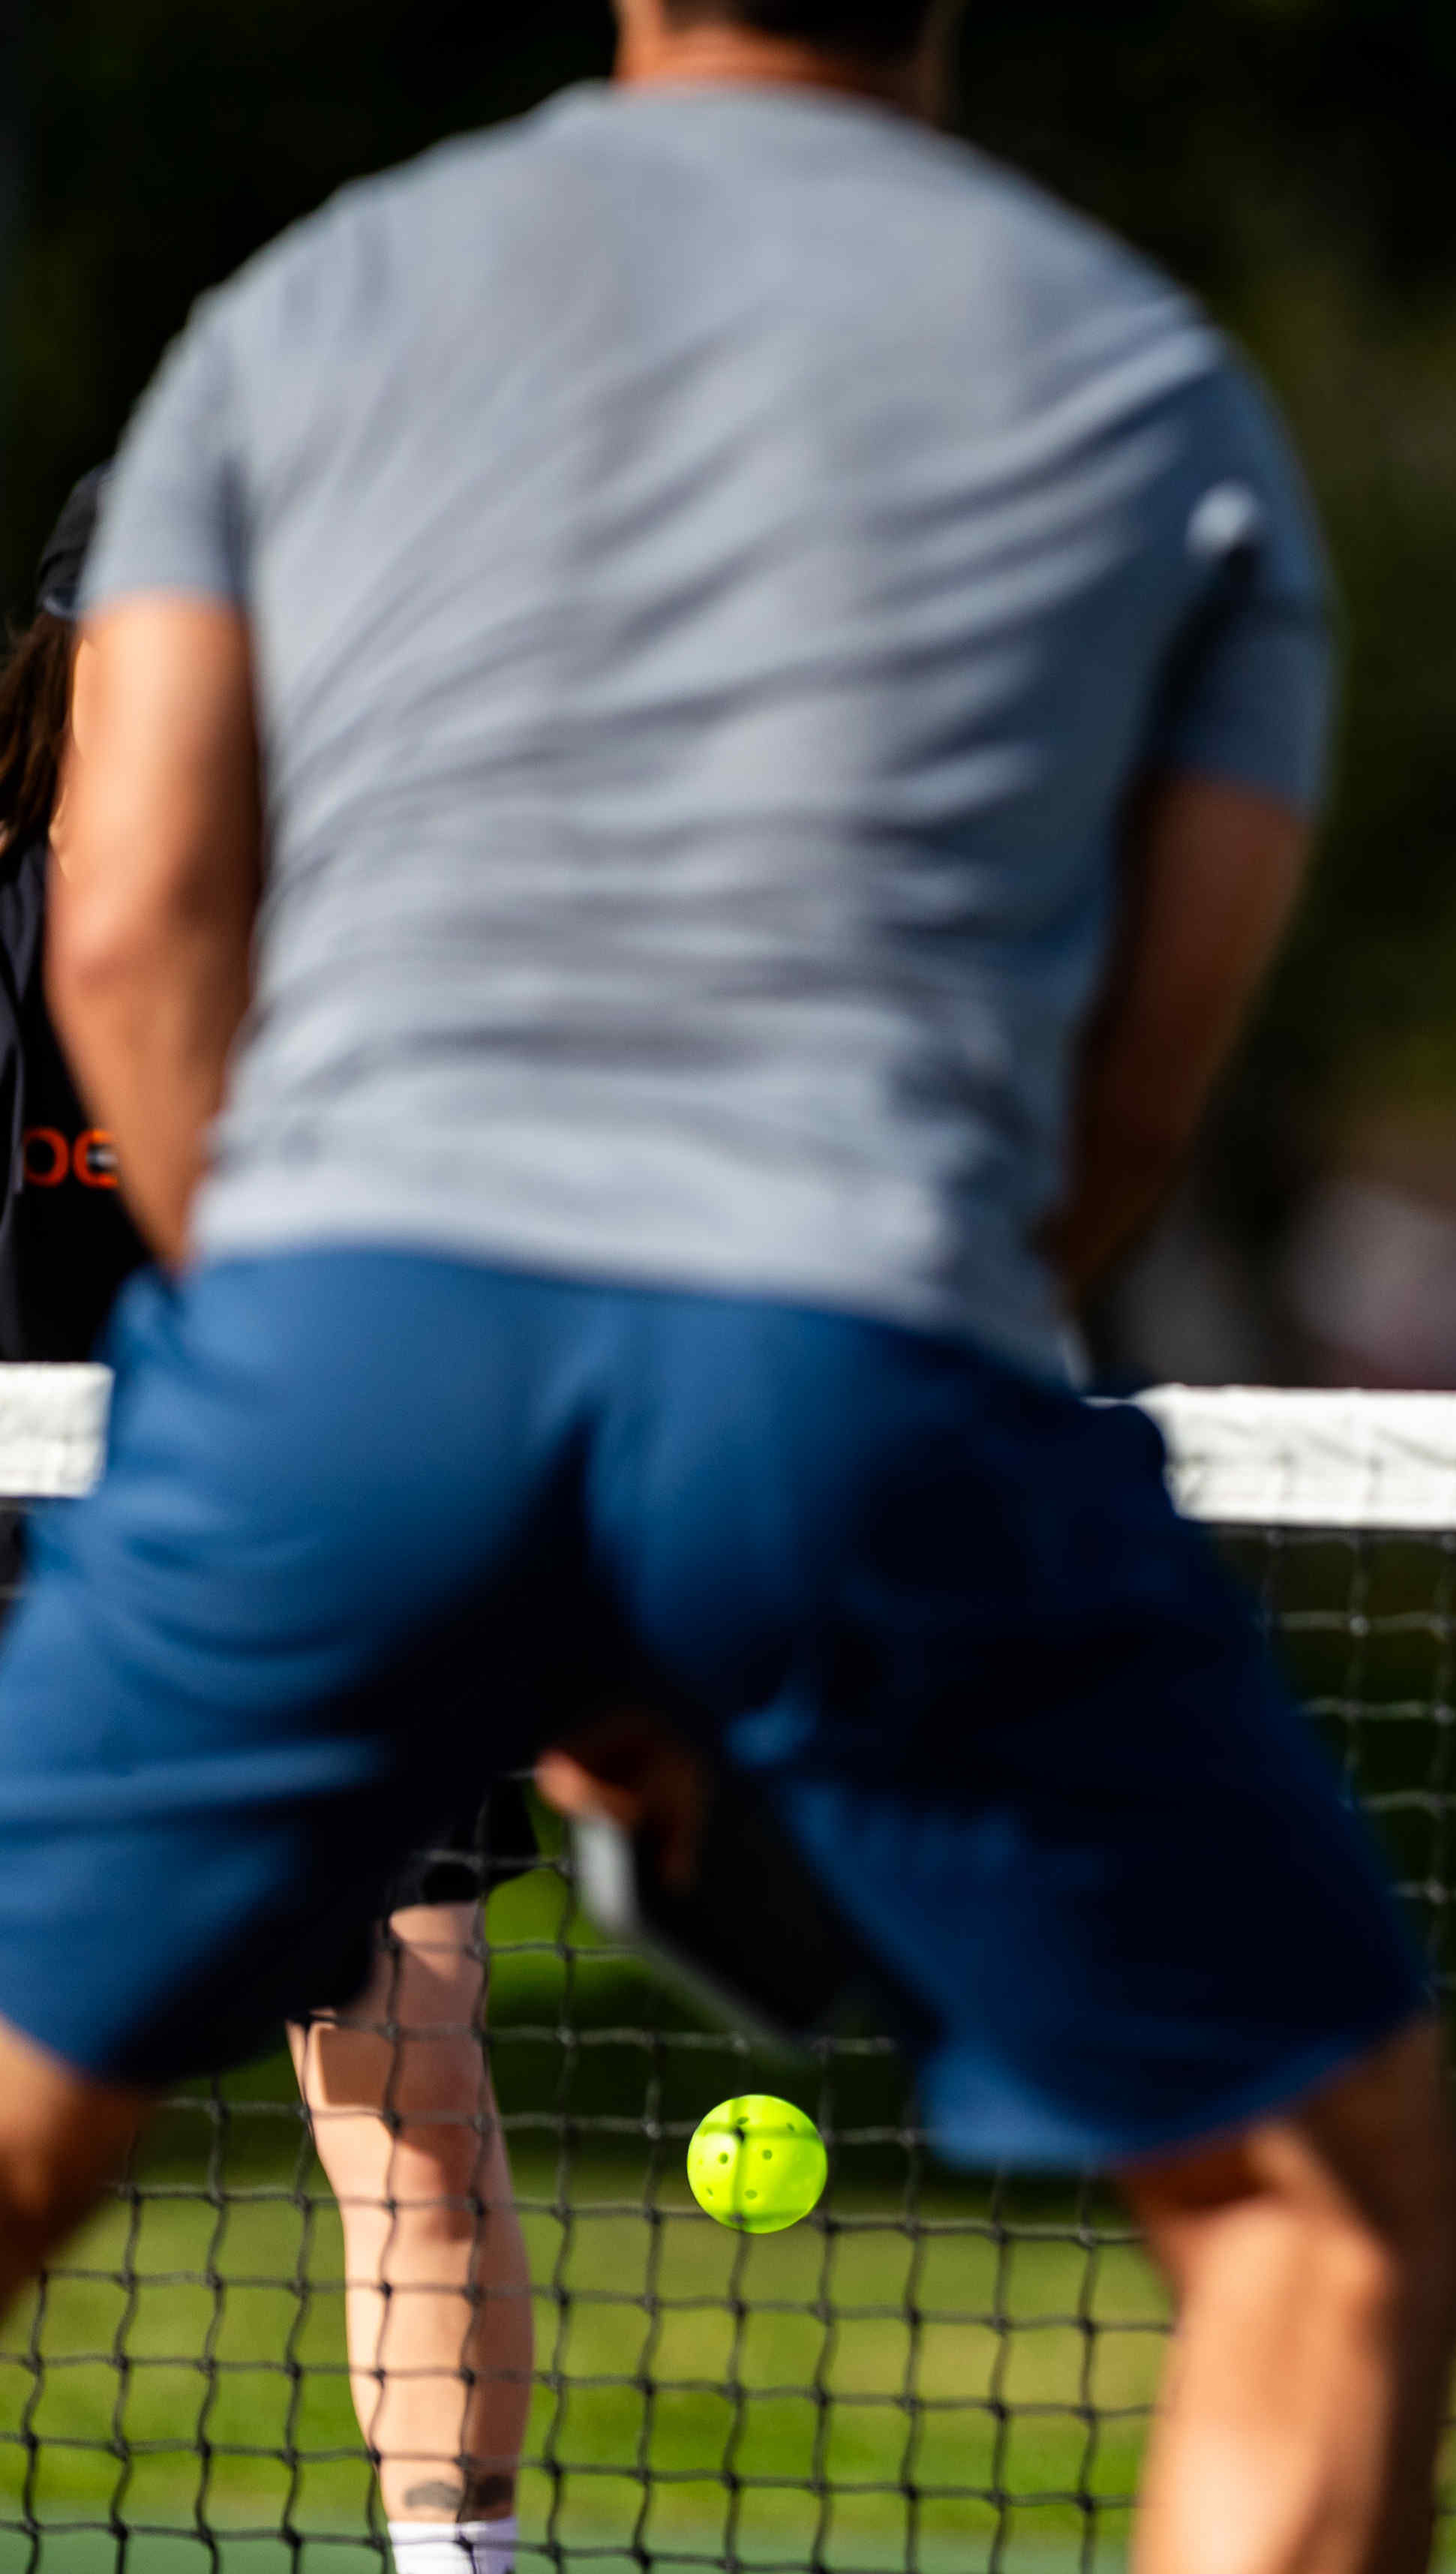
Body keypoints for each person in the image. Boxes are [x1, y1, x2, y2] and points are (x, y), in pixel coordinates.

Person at [0, 6, 1456, 2572]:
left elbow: (129, 926)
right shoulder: (1151, 383)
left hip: (338, 1334)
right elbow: (1133, 1083)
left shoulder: (305, 306)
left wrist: (342, 1390)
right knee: (1320, 2227)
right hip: (850, 1329)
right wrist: (836, 1424)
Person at [2, 472, 538, 2574]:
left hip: (347, 1569)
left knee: (401, 2084)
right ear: (70, 657)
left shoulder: (367, 945)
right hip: (37, 1573)